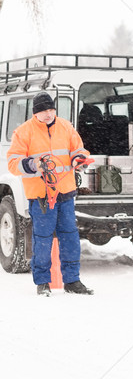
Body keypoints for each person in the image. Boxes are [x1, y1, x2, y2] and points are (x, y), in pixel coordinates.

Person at [7, 92, 94, 296]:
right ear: (35, 113)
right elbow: (13, 163)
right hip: (40, 195)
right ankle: (43, 282)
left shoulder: (65, 126)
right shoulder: (23, 132)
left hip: (65, 192)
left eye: (51, 109)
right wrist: (32, 164)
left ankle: (72, 281)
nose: (48, 114)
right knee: (43, 238)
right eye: (44, 111)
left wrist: (78, 159)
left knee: (70, 237)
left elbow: (78, 149)